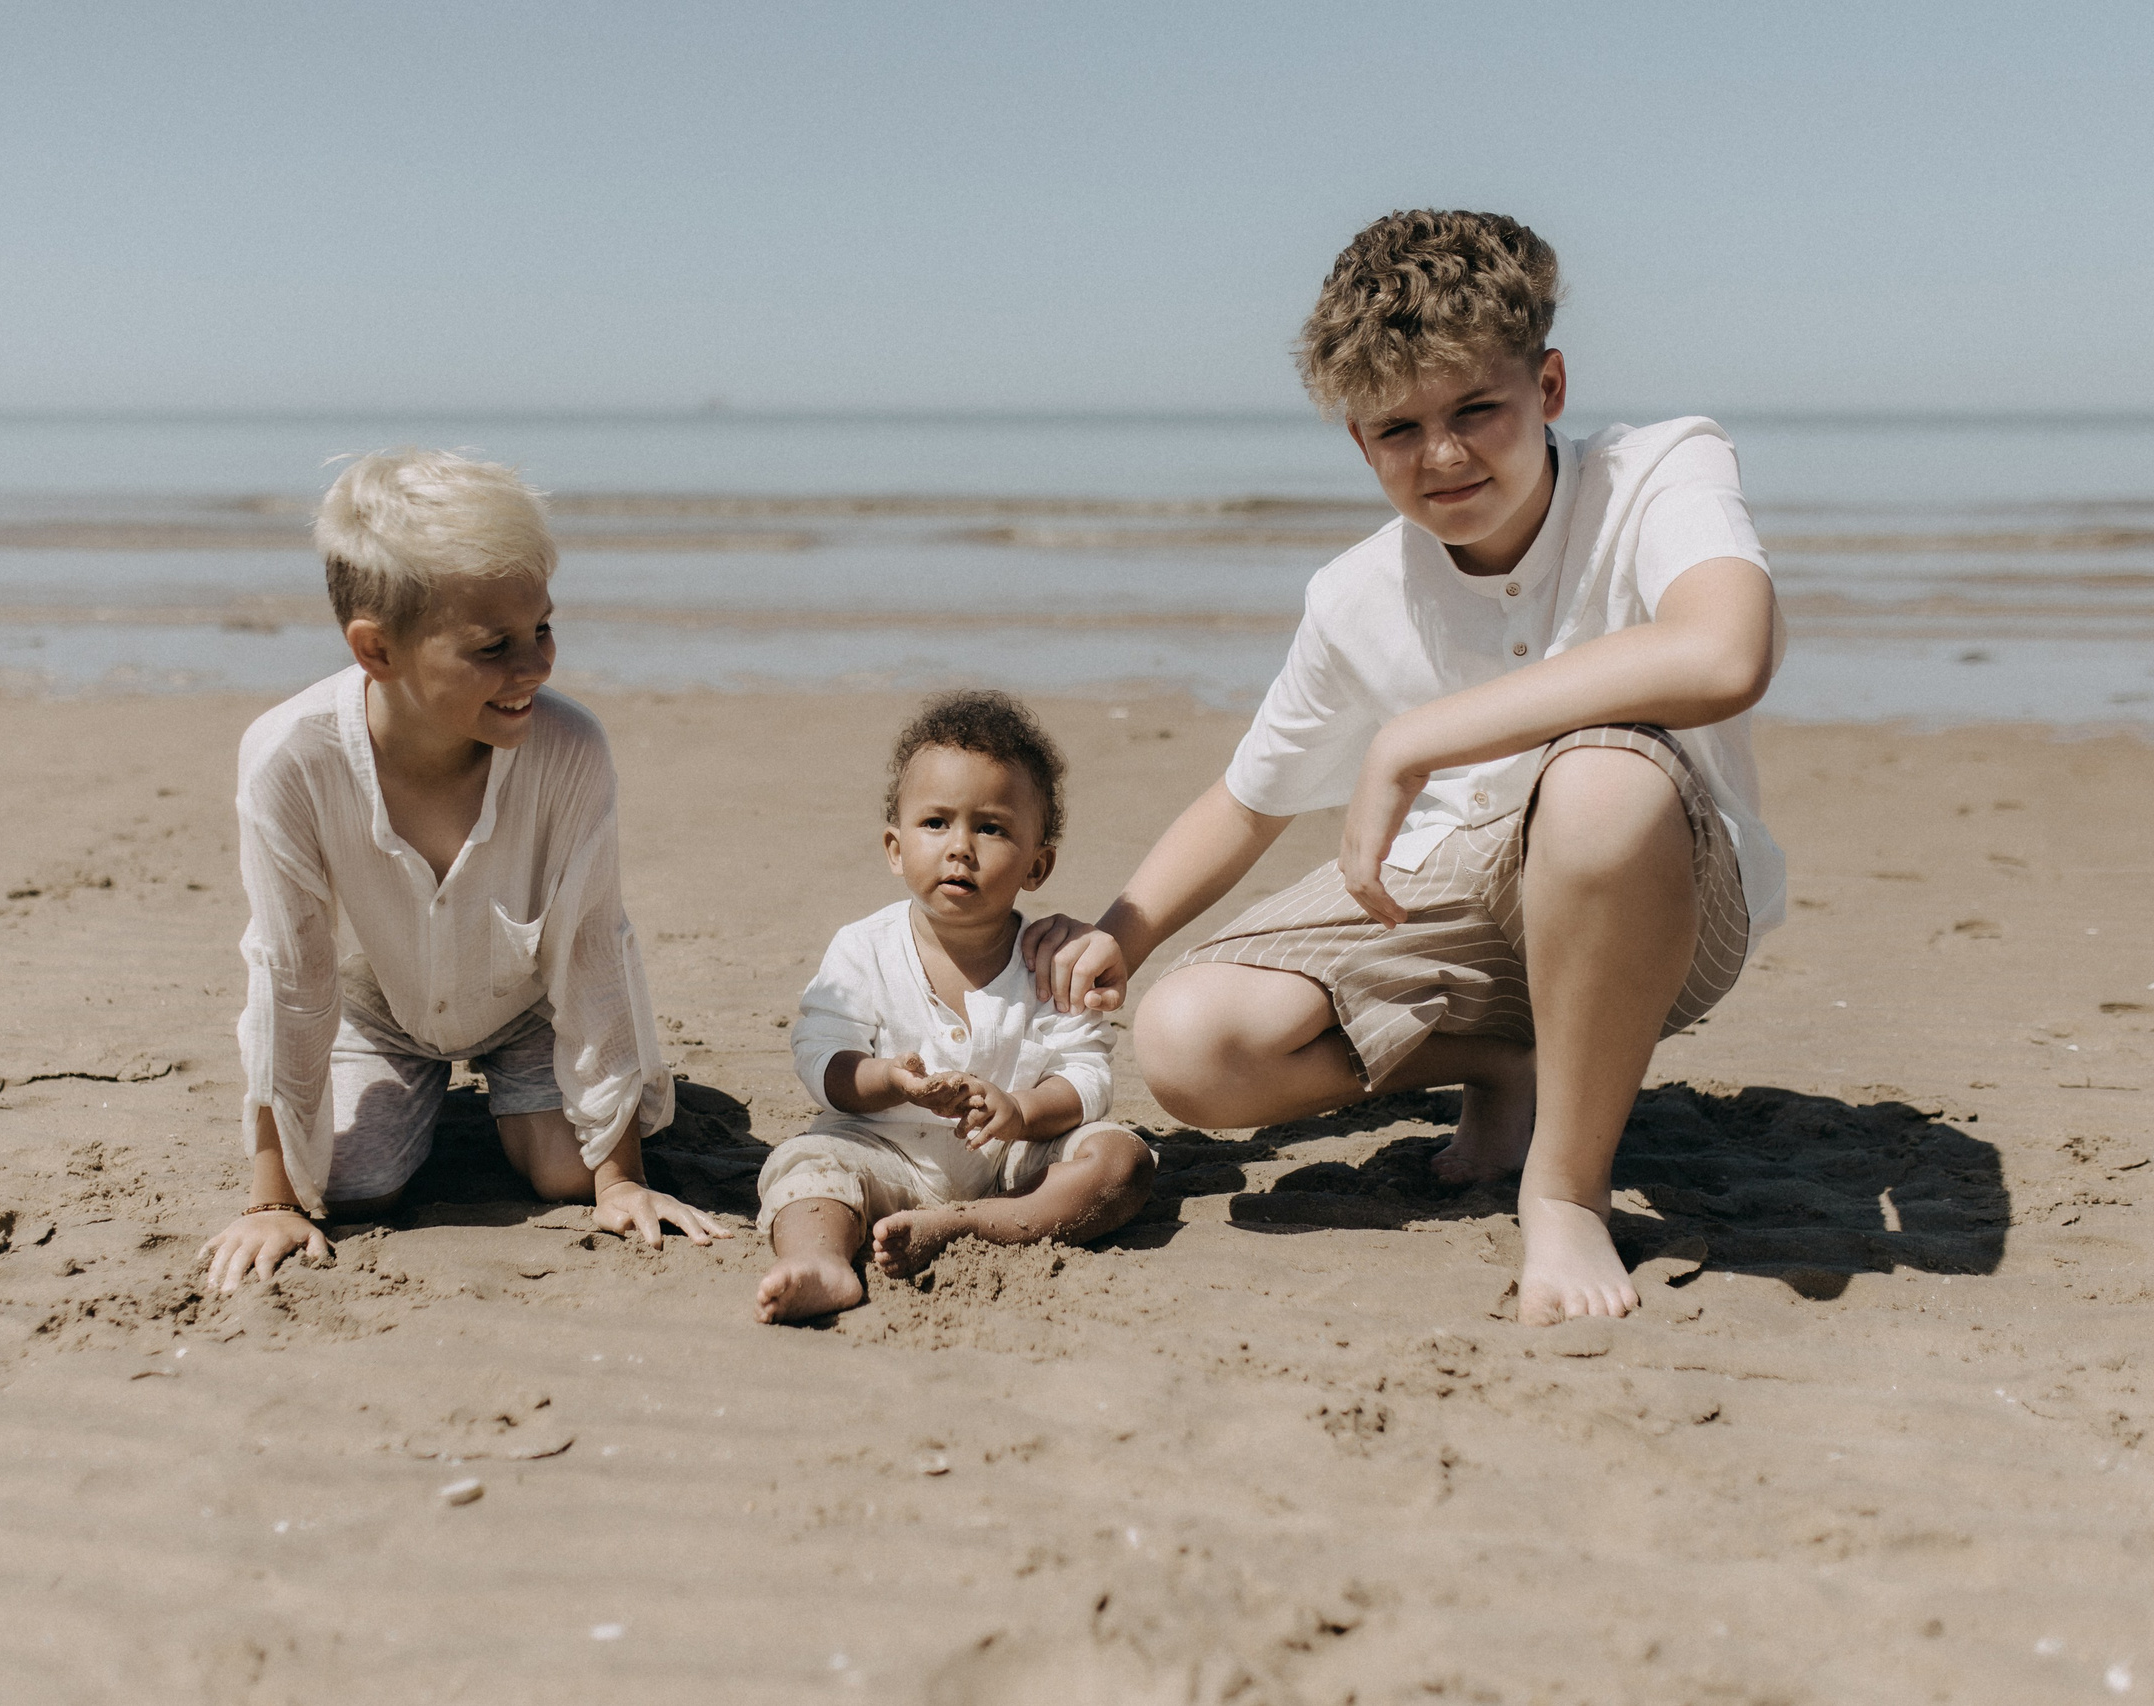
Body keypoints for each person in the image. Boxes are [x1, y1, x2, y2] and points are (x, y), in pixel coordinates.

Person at [1024, 210, 1785, 1326]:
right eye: (1398, 427)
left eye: (1478, 408)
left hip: (1657, 888)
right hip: (1459, 908)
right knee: (1189, 1045)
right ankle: (1502, 1063)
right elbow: (1249, 797)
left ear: (1551, 386)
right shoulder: (1354, 594)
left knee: (1600, 778)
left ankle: (1563, 1190)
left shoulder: (1661, 470)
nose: (1443, 455)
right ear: (1356, 438)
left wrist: (1416, 736)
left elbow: (1726, 652)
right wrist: (1118, 934)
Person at [199, 448, 728, 1294]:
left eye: (543, 628)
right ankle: (424, 1088)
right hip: (383, 1004)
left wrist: (622, 1177)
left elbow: (594, 949)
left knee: (568, 1174)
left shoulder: (571, 751)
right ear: (376, 650)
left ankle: (527, 1104)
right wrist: (271, 1199)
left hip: (529, 1002)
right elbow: (286, 974)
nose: (534, 667)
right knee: (348, 1186)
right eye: (493, 647)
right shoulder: (290, 759)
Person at [753, 691, 1157, 1325]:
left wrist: (1022, 1111)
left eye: (991, 827)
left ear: (1037, 864)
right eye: (936, 823)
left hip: (1016, 1168)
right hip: (882, 1153)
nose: (961, 846)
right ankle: (824, 1262)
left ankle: (967, 1226)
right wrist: (887, 1081)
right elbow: (819, 1057)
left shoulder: (1051, 959)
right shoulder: (865, 949)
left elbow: (1088, 1075)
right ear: (895, 847)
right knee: (804, 1168)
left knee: (1121, 1162)